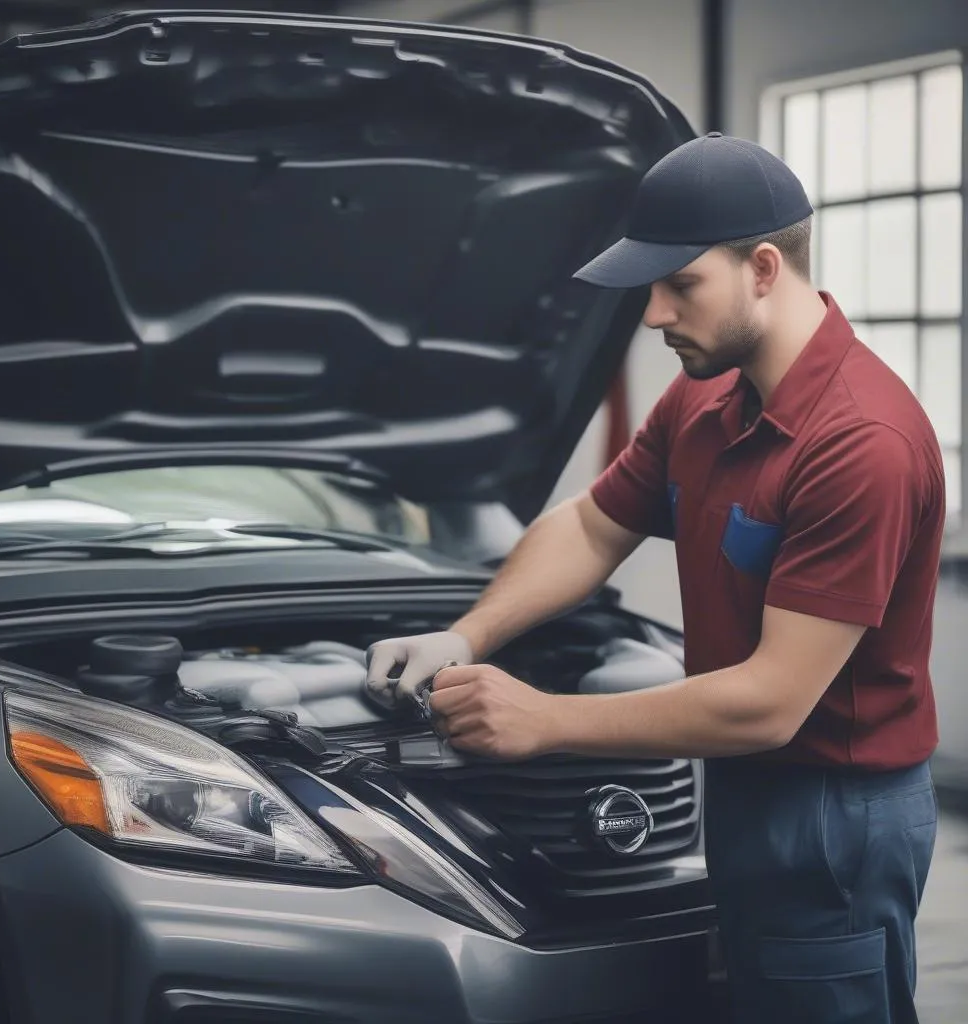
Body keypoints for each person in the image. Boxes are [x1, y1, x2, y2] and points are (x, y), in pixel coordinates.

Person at [363, 132, 944, 1024]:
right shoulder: (706, 395)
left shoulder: (861, 443)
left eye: (681, 285)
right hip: (749, 784)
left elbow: (771, 701)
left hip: (834, 813)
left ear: (761, 269)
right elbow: (596, 524)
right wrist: (466, 634)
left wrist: (545, 720)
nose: (653, 315)